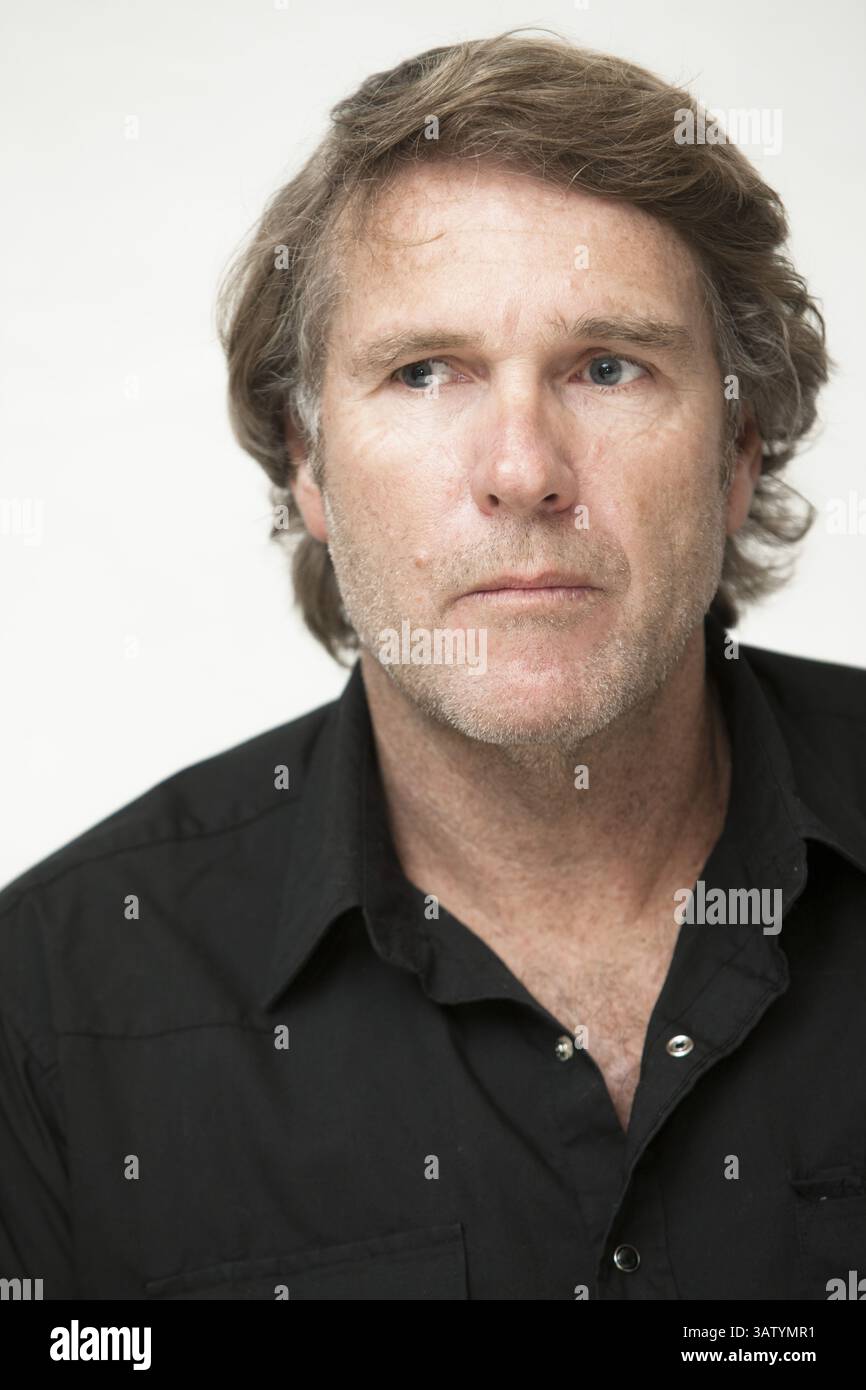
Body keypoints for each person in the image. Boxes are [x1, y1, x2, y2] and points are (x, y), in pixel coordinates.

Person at [2, 30, 865, 1303]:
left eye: (607, 366)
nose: (523, 471)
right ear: (308, 465)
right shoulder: (48, 1007)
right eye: (423, 373)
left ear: (736, 451)